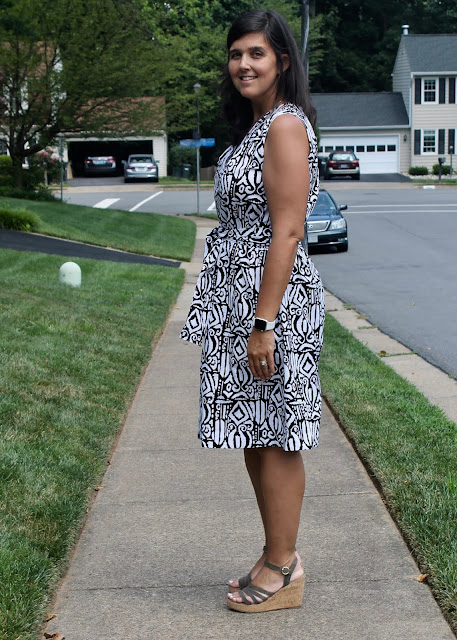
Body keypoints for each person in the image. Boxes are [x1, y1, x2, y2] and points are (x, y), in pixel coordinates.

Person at [180, 9, 325, 613]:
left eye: (256, 54)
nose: (243, 63)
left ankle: (287, 566)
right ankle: (274, 554)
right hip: (238, 298)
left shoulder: (285, 126)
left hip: (272, 303)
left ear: (282, 62)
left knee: (279, 437)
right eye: (236, 53)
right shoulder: (256, 126)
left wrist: (263, 324)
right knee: (253, 432)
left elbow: (288, 230)